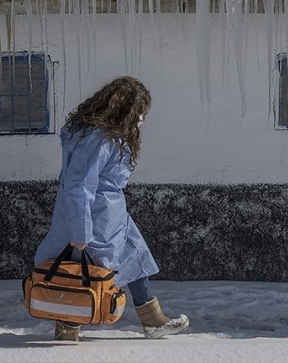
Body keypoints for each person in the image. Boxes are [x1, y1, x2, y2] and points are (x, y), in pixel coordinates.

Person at [34, 76, 190, 341]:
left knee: (135, 255)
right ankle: (68, 329)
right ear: (126, 109)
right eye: (140, 112)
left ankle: (153, 321)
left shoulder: (103, 134)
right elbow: (80, 185)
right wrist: (81, 231)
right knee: (81, 270)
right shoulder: (98, 138)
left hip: (111, 213)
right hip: (95, 216)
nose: (141, 118)